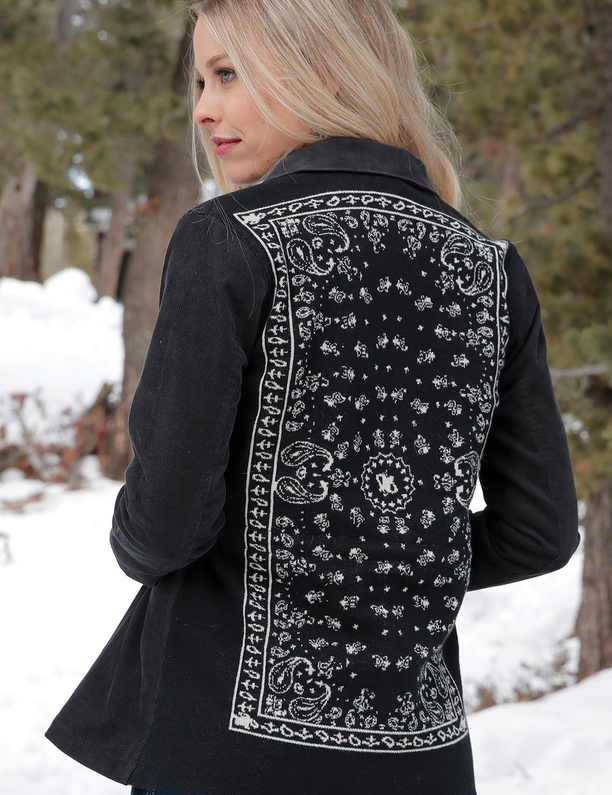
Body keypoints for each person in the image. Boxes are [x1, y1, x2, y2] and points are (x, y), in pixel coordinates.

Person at [46, 1, 580, 793]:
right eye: (202, 80)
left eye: (229, 73)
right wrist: (394, 561)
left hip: (225, 750)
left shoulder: (231, 238)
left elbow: (163, 528)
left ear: (325, 71)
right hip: (421, 761)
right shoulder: (490, 269)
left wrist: (281, 555)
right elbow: (540, 532)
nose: (203, 108)